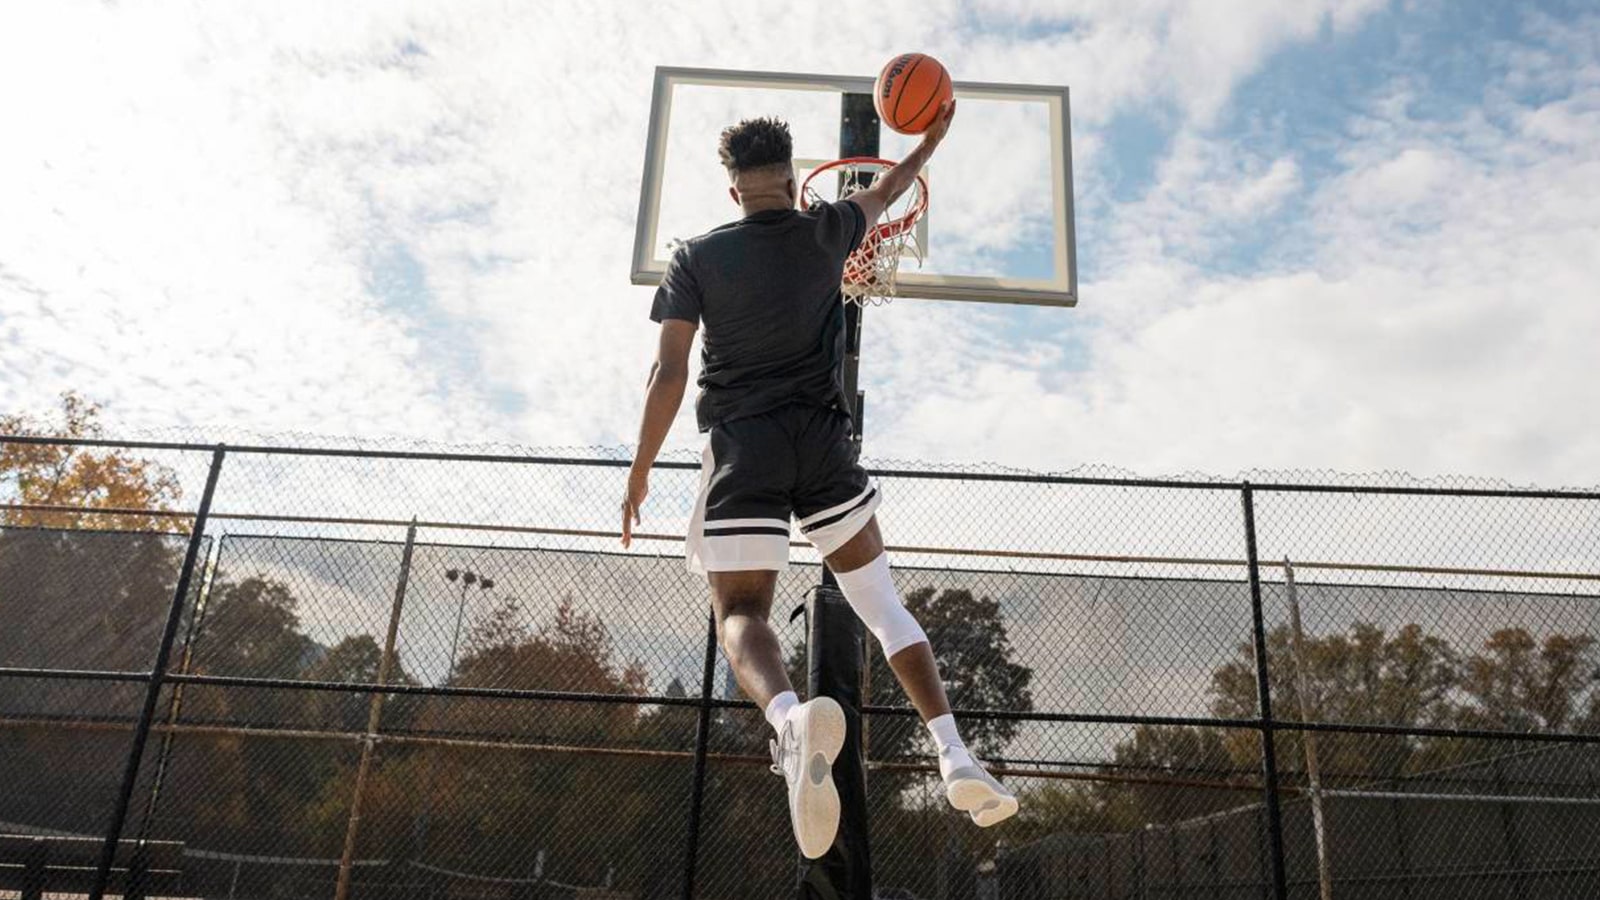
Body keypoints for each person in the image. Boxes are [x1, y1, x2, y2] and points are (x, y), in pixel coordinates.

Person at [621, 102, 1015, 859]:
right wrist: (929, 141)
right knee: (883, 606)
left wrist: (639, 471)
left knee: (741, 612)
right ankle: (953, 751)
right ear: (794, 178)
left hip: (746, 447)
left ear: (733, 189)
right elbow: (890, 189)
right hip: (824, 444)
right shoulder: (829, 230)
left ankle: (790, 719)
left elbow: (668, 372)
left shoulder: (695, 257)